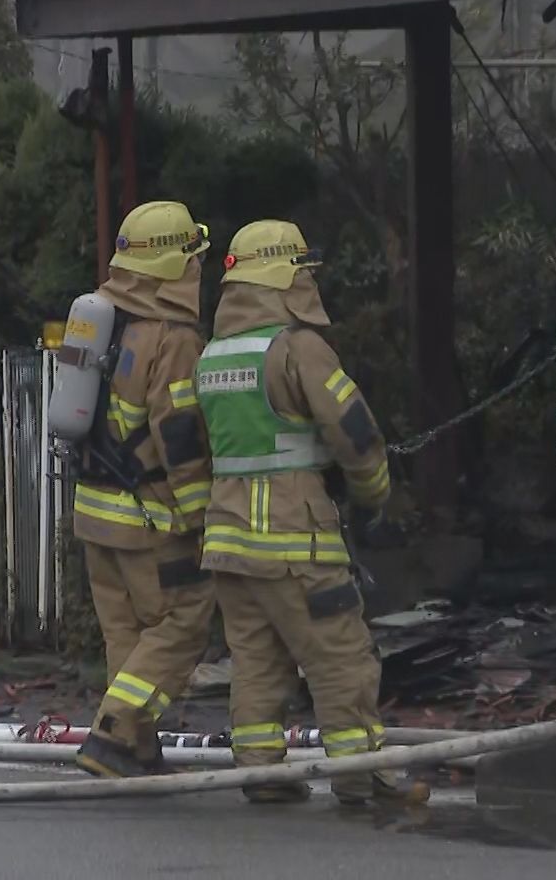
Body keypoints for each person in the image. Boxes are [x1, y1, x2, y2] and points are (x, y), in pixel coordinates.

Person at [194, 220, 426, 807]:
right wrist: (374, 495)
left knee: (257, 664)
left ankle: (262, 775)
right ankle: (362, 775)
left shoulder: (213, 355)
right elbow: (355, 433)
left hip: (228, 543)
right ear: (285, 275)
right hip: (296, 541)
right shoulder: (298, 347)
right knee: (341, 656)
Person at [67, 202, 217, 779]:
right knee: (181, 623)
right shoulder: (171, 337)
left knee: (126, 637)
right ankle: (115, 733)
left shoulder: (103, 319)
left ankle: (138, 750)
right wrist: (201, 519)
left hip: (95, 513)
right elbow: (178, 437)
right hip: (149, 518)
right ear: (175, 264)